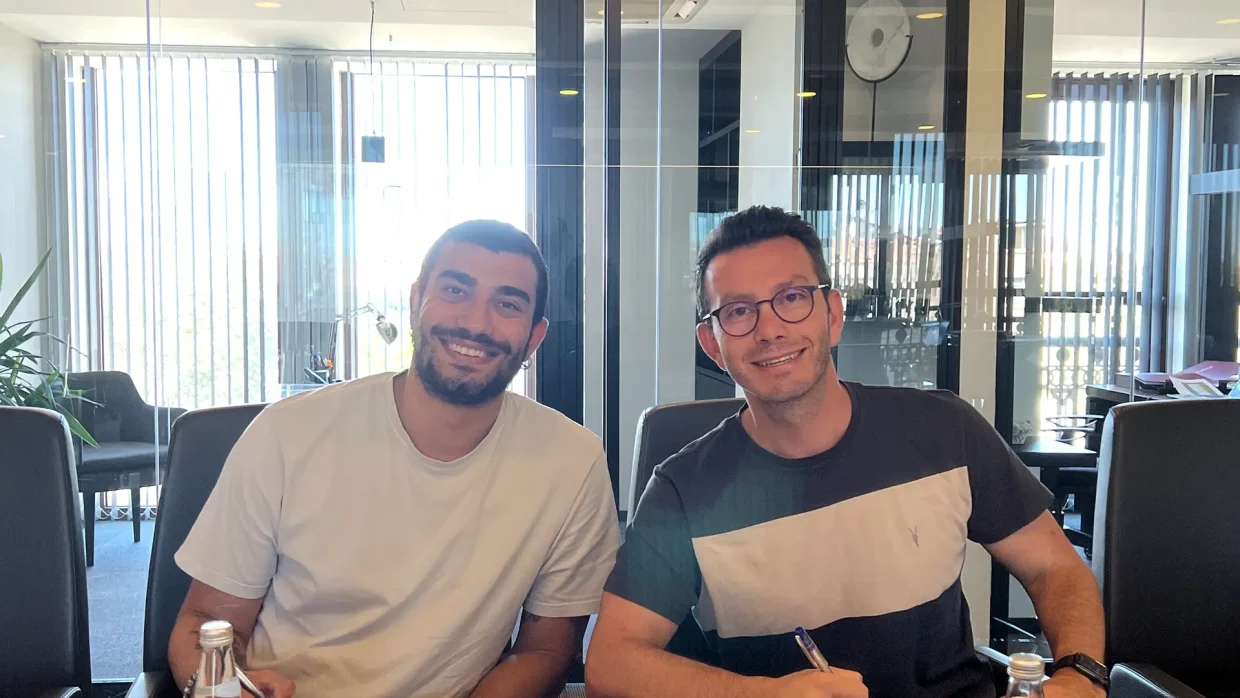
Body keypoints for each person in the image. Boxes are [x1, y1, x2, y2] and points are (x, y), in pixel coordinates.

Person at [585, 206, 1106, 698]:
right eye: (739, 311)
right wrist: (761, 694)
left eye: (792, 297)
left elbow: (1054, 568)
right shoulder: (683, 490)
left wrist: (1080, 674)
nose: (770, 330)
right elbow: (611, 661)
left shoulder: (944, 431)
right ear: (712, 343)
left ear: (832, 314)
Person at [170, 220, 620, 698]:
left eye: (507, 304)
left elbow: (546, 651)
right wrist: (224, 688)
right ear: (415, 300)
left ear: (534, 337)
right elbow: (205, 622)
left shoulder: (571, 461)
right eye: (455, 290)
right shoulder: (288, 433)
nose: (475, 323)